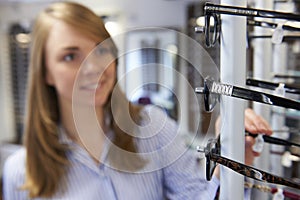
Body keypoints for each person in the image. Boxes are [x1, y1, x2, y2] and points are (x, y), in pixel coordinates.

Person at [2, 1, 272, 199]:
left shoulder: (151, 127)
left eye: (101, 49)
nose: (93, 67)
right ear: (45, 72)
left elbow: (200, 196)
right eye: (70, 56)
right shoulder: (20, 173)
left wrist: (231, 158)